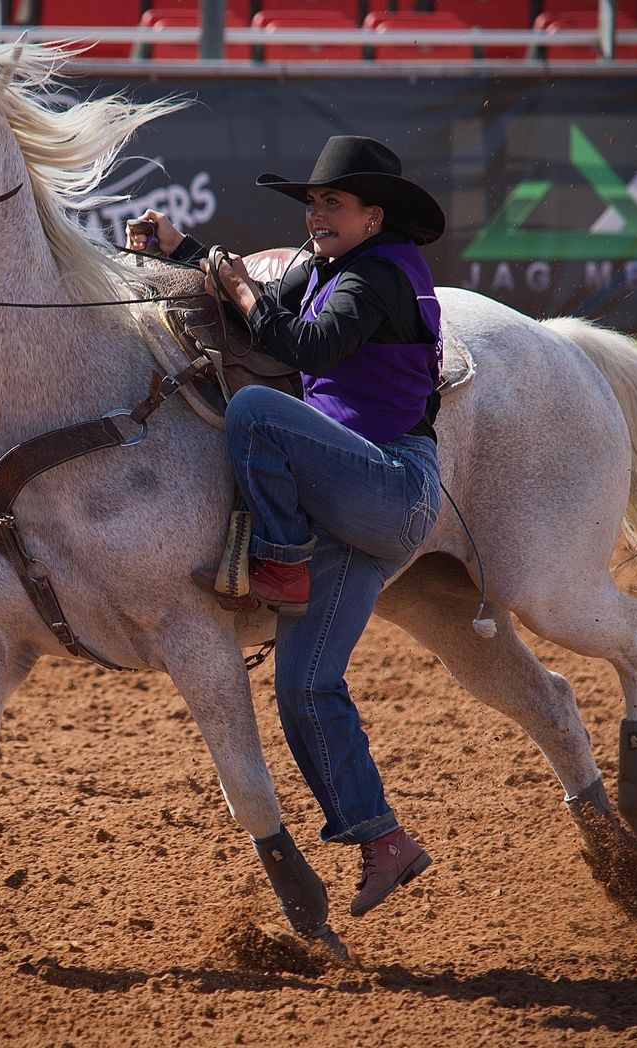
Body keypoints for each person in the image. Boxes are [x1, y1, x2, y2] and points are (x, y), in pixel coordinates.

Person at [126, 135, 444, 918]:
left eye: (330, 203)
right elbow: (260, 294)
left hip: (389, 486)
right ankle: (382, 840)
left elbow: (303, 341)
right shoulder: (339, 265)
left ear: (373, 218)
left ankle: (275, 559)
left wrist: (236, 292)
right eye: (311, 202)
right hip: (357, 503)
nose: (314, 214)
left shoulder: (373, 276)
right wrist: (187, 250)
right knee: (304, 689)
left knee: (258, 411)